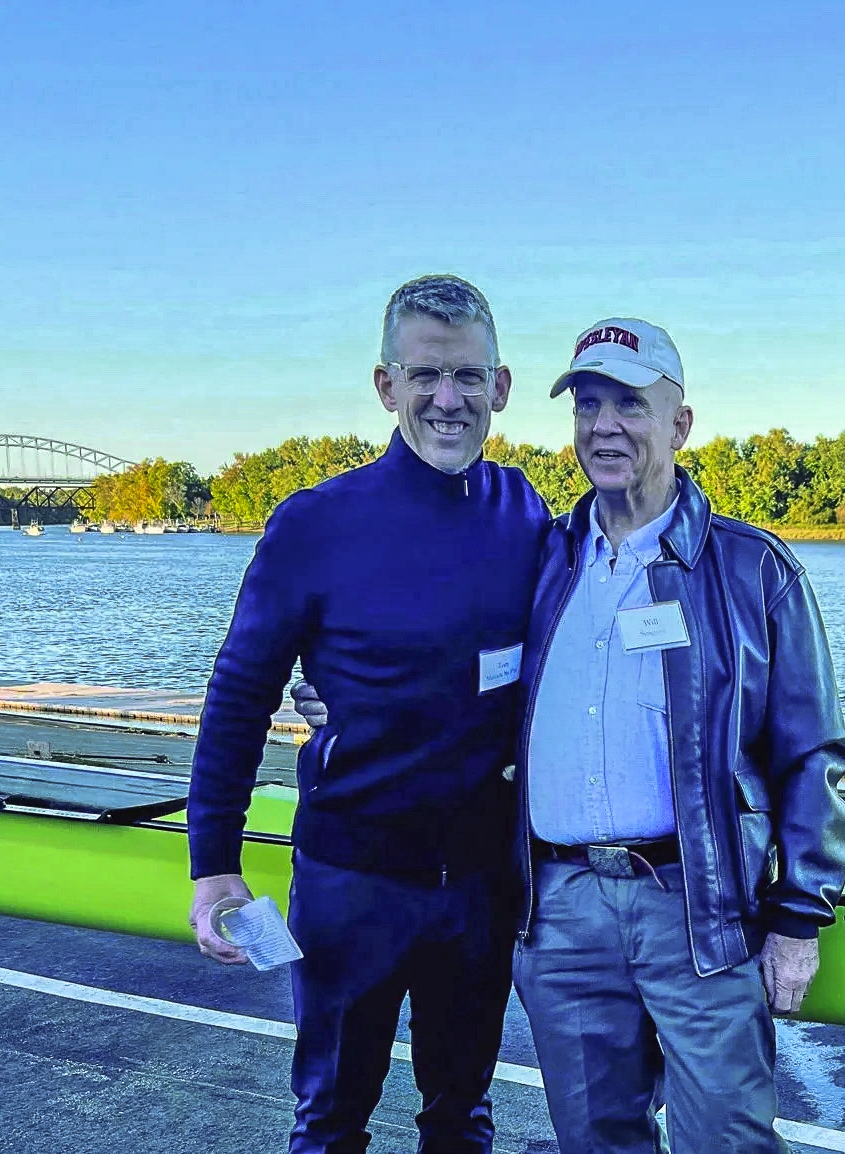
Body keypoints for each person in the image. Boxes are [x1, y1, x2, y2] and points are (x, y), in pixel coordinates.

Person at [187, 274, 551, 1154]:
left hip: (480, 887)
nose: (447, 399)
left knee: (462, 1117)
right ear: (387, 386)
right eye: (425, 375)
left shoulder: (526, 513)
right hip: (351, 883)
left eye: (468, 376)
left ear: (500, 387)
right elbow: (239, 693)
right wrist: (214, 863)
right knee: (330, 1119)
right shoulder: (315, 523)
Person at [513, 319, 845, 1152]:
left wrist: (799, 916)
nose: (604, 427)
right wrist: (344, 697)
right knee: (596, 1141)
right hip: (560, 912)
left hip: (699, 907)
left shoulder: (754, 570)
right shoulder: (539, 562)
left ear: (680, 424)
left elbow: (810, 753)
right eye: (587, 406)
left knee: (726, 1141)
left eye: (630, 405)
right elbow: (457, 681)